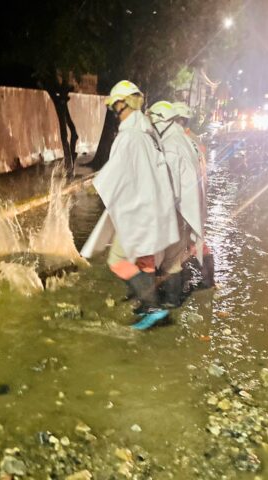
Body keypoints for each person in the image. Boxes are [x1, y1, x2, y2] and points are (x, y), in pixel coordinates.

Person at [80, 80, 180, 330]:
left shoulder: (129, 136)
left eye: (115, 107)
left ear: (121, 105)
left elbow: (116, 171)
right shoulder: (148, 134)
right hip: (154, 209)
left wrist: (94, 184)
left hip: (140, 212)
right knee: (145, 262)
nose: (114, 112)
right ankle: (147, 305)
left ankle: (154, 309)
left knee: (117, 261)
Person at [146, 100, 204, 306]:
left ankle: (168, 304)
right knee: (174, 259)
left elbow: (170, 189)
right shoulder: (182, 139)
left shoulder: (171, 146)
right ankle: (170, 301)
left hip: (176, 211)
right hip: (186, 209)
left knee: (168, 263)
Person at [172, 101, 215, 288]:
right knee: (197, 241)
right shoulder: (196, 140)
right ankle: (209, 283)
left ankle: (177, 288)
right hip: (198, 200)